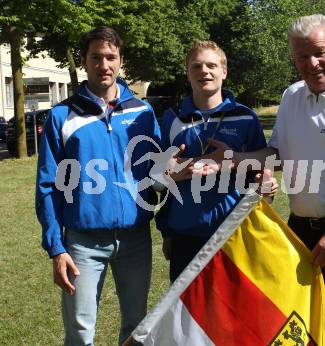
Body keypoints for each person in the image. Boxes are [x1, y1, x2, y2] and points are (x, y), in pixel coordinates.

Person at [205, 14, 325, 346]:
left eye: (319, 52)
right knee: (301, 325)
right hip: (298, 230)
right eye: (301, 56)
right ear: (293, 59)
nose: (312, 63)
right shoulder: (291, 96)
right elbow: (278, 154)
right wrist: (234, 160)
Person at [35, 27, 161, 346]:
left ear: (120, 62)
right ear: (84, 62)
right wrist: (56, 248)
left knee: (137, 326)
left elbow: (160, 174)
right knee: (80, 330)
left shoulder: (142, 113)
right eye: (96, 57)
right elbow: (48, 186)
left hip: (135, 239)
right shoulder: (62, 116)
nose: (103, 64)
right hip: (82, 243)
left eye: (110, 57)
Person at [156, 40, 277, 282]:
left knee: (232, 316)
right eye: (196, 66)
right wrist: (167, 233)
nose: (204, 71)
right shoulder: (171, 119)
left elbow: (263, 172)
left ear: (224, 71)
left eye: (211, 65)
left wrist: (266, 186)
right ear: (187, 73)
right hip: (185, 236)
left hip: (234, 233)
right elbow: (158, 178)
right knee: (188, 318)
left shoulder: (245, 117)